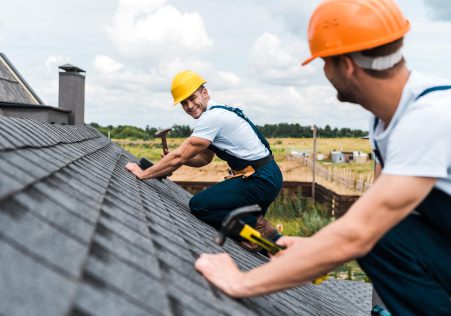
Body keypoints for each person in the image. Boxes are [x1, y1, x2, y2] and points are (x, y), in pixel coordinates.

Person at [194, 0, 451, 314]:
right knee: (385, 234)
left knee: (377, 234)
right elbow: (376, 215)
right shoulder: (387, 118)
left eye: (324, 62)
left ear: (346, 65)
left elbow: (359, 232)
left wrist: (241, 283)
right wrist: (316, 248)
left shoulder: (429, 118)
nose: (324, 72)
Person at [126, 70, 283, 251]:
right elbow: (203, 159)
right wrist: (179, 160)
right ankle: (278, 250)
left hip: (259, 180)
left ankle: (260, 229)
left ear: (205, 93)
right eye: (184, 103)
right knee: (251, 230)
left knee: (201, 205)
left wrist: (144, 173)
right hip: (266, 176)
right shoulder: (218, 114)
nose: (190, 105)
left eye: (192, 98)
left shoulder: (212, 118)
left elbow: (179, 155)